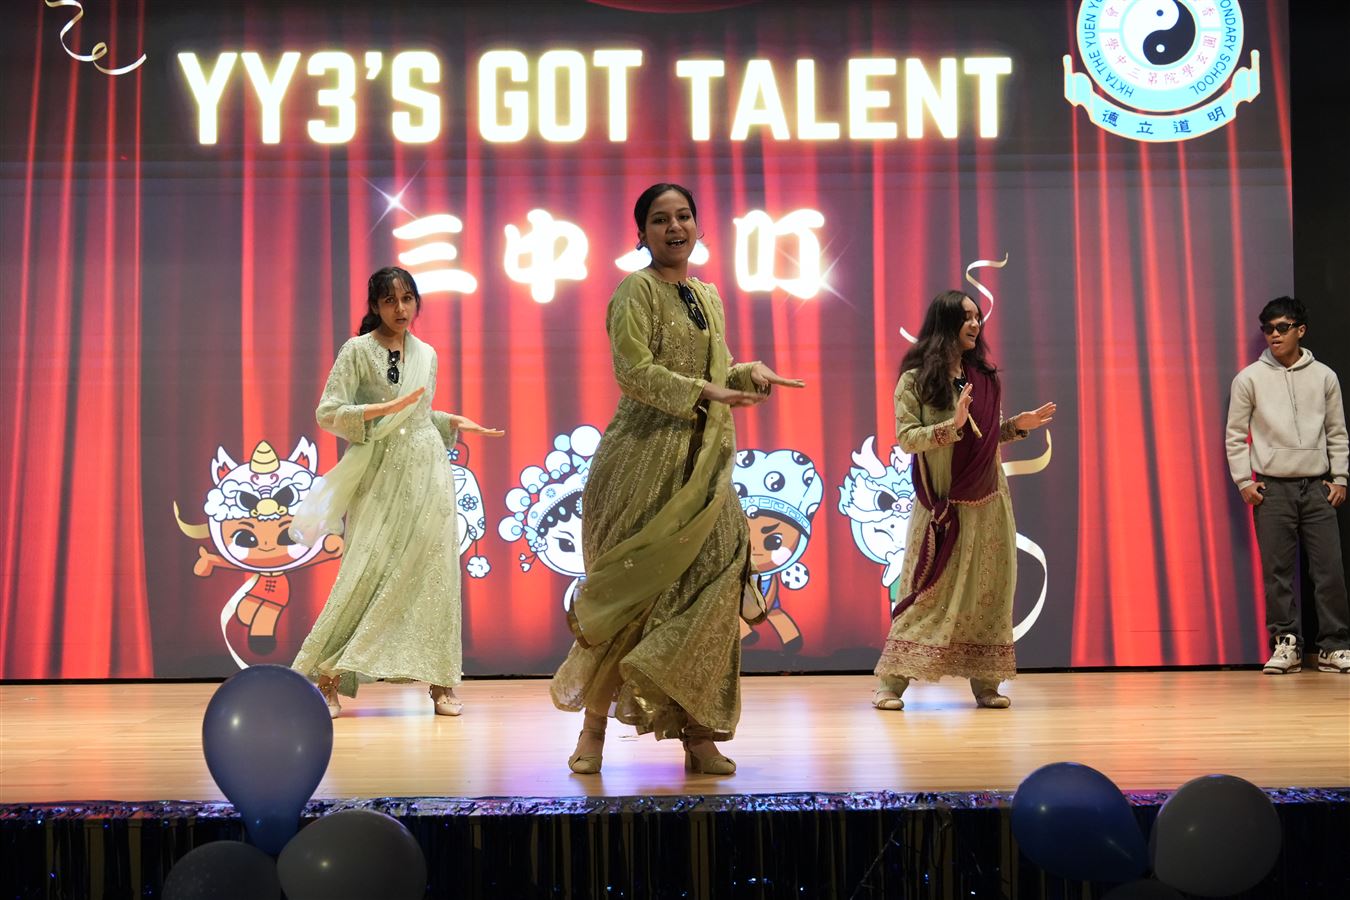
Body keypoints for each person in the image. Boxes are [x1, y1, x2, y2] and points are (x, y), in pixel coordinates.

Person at [550, 183, 804, 774]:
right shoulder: (634, 291)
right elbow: (634, 372)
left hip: (704, 467)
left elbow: (716, 370)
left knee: (713, 593)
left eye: (684, 216)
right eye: (660, 219)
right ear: (641, 233)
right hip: (641, 463)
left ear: (698, 226)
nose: (675, 227)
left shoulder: (706, 295)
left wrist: (747, 373)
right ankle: (592, 733)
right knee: (634, 601)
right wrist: (707, 390)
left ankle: (699, 734)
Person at [290, 266, 504, 717]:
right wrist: (378, 409)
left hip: (428, 471)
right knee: (365, 570)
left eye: (407, 299)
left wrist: (449, 421)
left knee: (435, 574)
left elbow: (418, 416)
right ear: (375, 306)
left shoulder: (427, 354)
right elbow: (329, 412)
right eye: (390, 300)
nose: (400, 308)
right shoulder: (357, 351)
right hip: (378, 474)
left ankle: (442, 684)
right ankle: (329, 678)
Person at [873, 290, 1054, 711]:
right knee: (927, 594)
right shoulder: (916, 380)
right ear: (945, 323)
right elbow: (907, 439)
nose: (975, 324)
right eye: (966, 317)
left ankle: (986, 684)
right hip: (942, 505)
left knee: (989, 593)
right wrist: (950, 426)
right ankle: (890, 684)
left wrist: (1017, 426)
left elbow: (985, 438)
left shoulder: (984, 378)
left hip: (988, 503)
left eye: (977, 317)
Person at [1225, 296, 1349, 675]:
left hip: (1317, 487)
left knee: (1329, 571)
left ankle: (1334, 646)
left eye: (1282, 328)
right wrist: (1244, 481)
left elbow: (1336, 431)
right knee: (1277, 573)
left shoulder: (1324, 376)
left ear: (1301, 330)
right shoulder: (1249, 379)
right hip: (1272, 489)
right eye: (1268, 329)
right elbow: (1235, 435)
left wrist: (1340, 478)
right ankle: (1286, 644)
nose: (1274, 335)